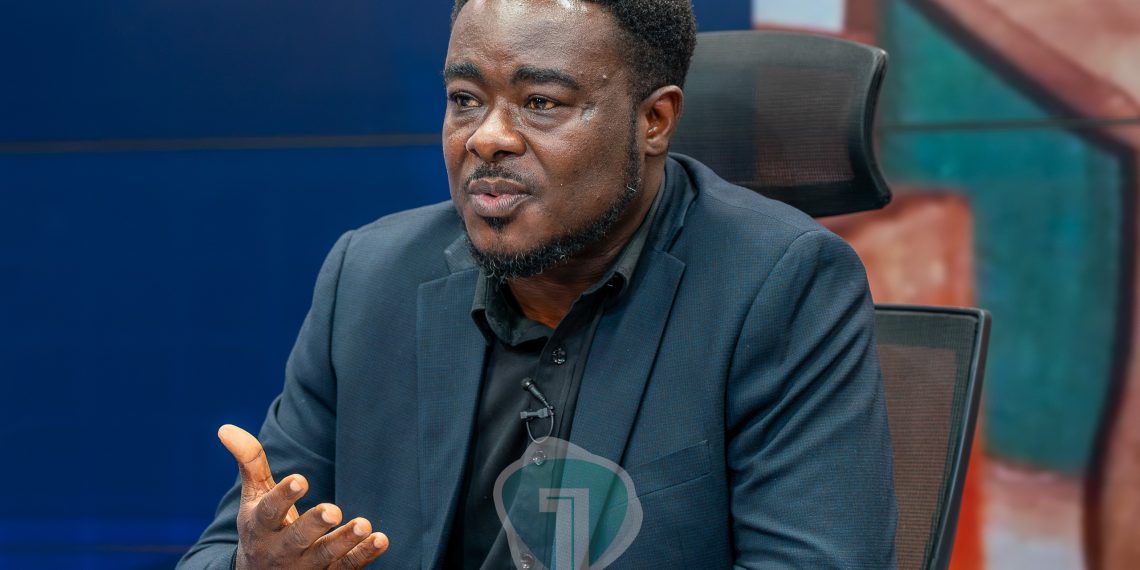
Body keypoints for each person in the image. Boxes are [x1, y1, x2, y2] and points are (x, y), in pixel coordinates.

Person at [179, 0, 897, 568]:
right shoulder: (370, 277)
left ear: (654, 121)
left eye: (541, 103)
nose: (486, 137)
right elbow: (218, 554)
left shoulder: (781, 285)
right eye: (465, 98)